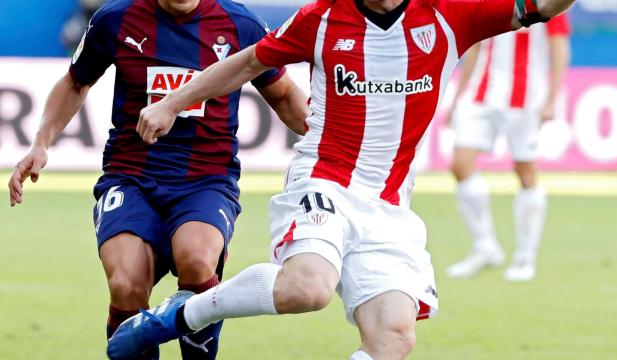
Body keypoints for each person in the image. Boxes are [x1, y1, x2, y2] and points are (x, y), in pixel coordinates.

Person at [107, 0, 576, 359]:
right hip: (324, 180)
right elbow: (249, 62)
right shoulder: (322, 18)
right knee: (308, 289)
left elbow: (544, 6)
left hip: (390, 204)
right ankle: (186, 313)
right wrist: (173, 101)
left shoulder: (451, 14)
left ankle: (183, 311)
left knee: (393, 338)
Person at [8, 0, 308, 359]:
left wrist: (336, 143)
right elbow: (75, 82)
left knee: (197, 261)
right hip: (131, 176)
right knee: (126, 285)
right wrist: (41, 143)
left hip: (206, 180)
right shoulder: (116, 18)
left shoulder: (239, 23)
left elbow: (285, 94)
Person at [445, 13, 571, 281]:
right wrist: (457, 97)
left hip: (526, 97)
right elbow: (475, 46)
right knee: (460, 164)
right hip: (481, 94)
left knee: (525, 171)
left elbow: (559, 46)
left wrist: (552, 99)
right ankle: (485, 245)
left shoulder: (546, 4)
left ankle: (525, 257)